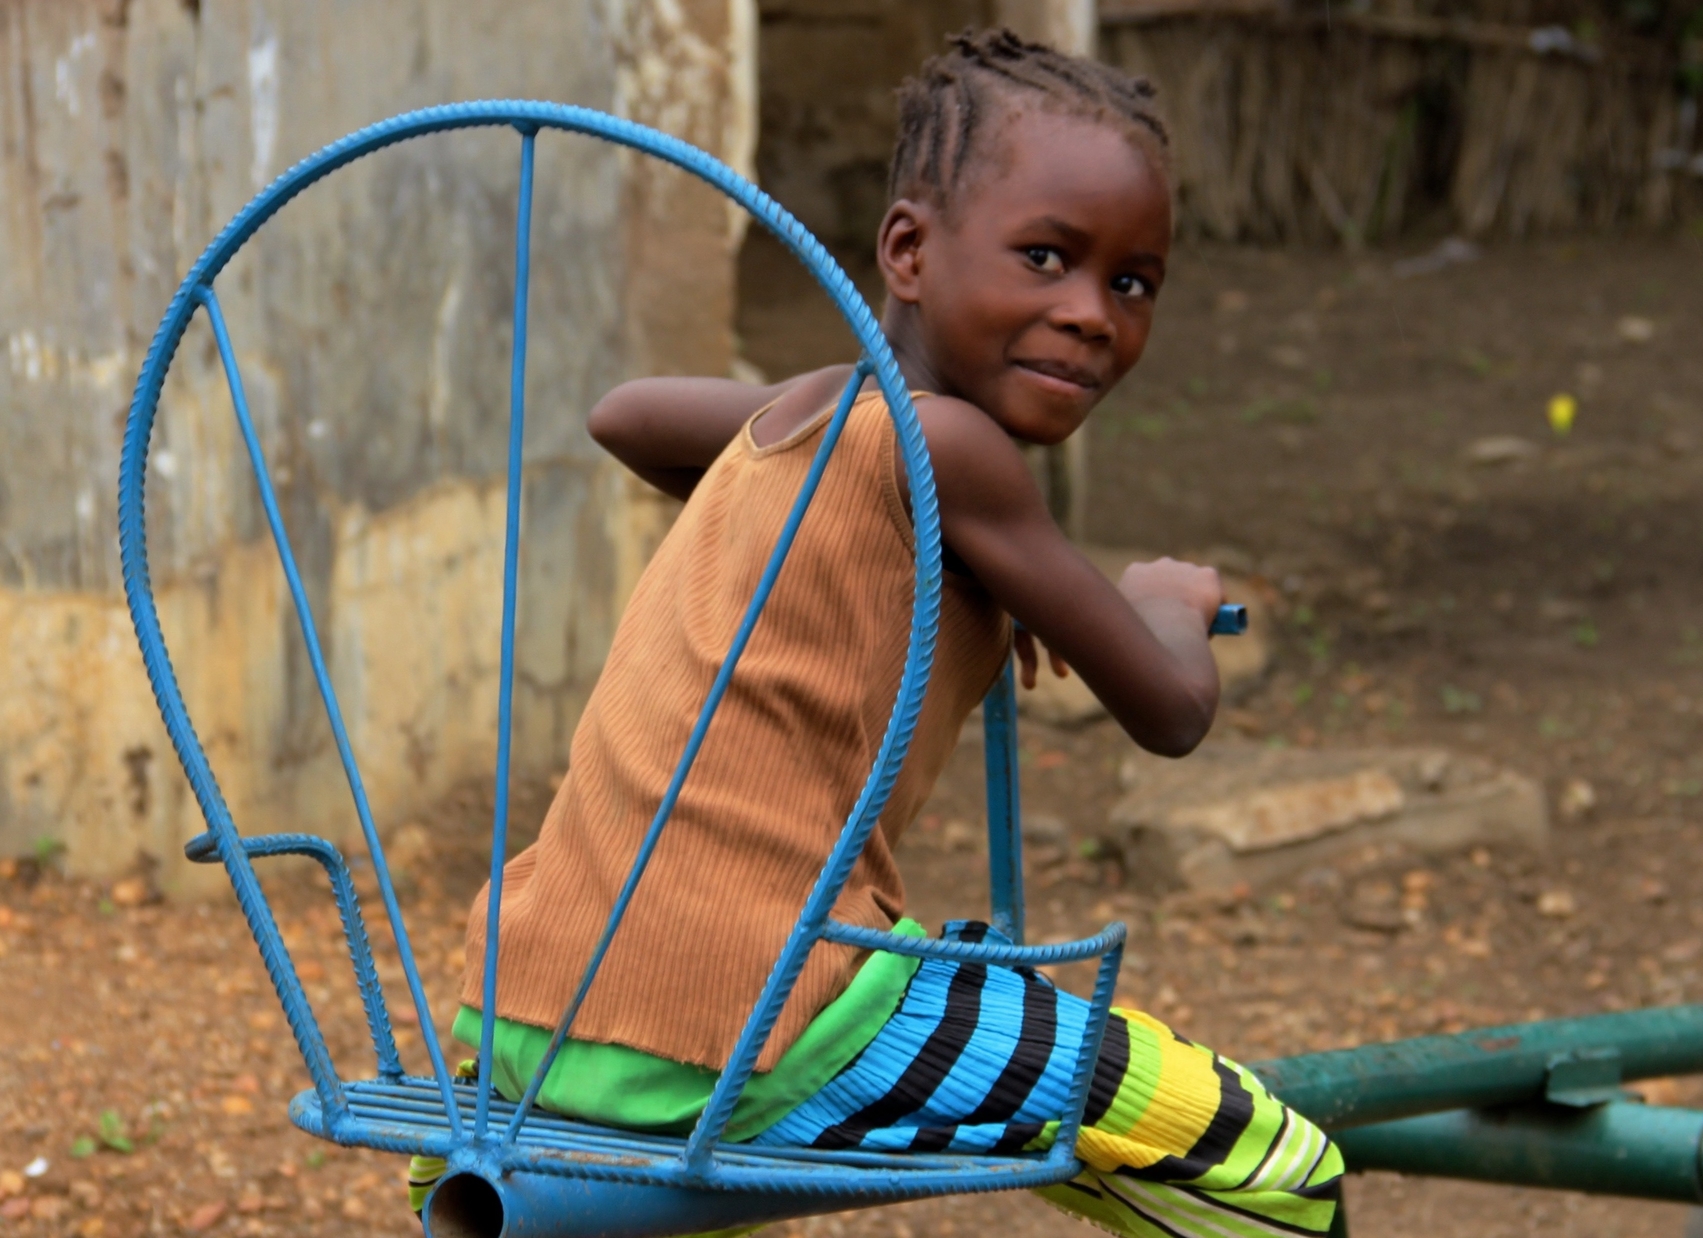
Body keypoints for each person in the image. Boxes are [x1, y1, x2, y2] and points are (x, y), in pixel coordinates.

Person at [413, 28, 1341, 1237]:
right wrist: (1161, 604)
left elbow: (625, 414)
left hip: (527, 1009)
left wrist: (827, 444)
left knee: (1044, 1102)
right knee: (1277, 1170)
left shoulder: (827, 418)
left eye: (1131, 281)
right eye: (1046, 256)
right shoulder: (954, 451)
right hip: (765, 1015)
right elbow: (1168, 710)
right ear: (905, 250)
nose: (1089, 315)